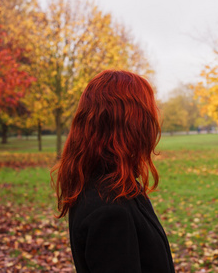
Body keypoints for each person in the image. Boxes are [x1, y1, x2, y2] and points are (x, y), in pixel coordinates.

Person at [50, 70, 175, 273]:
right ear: (131, 125)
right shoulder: (109, 210)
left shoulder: (112, 186)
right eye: (148, 114)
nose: (154, 120)